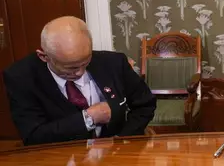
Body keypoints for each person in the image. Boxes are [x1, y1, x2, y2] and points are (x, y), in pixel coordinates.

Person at [3, 16, 156, 146]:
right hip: (61, 159)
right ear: (44, 56)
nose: (80, 72)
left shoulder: (114, 62)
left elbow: (144, 104)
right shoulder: (21, 77)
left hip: (116, 155)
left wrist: (122, 140)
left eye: (86, 62)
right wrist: (88, 118)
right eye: (71, 67)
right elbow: (33, 136)